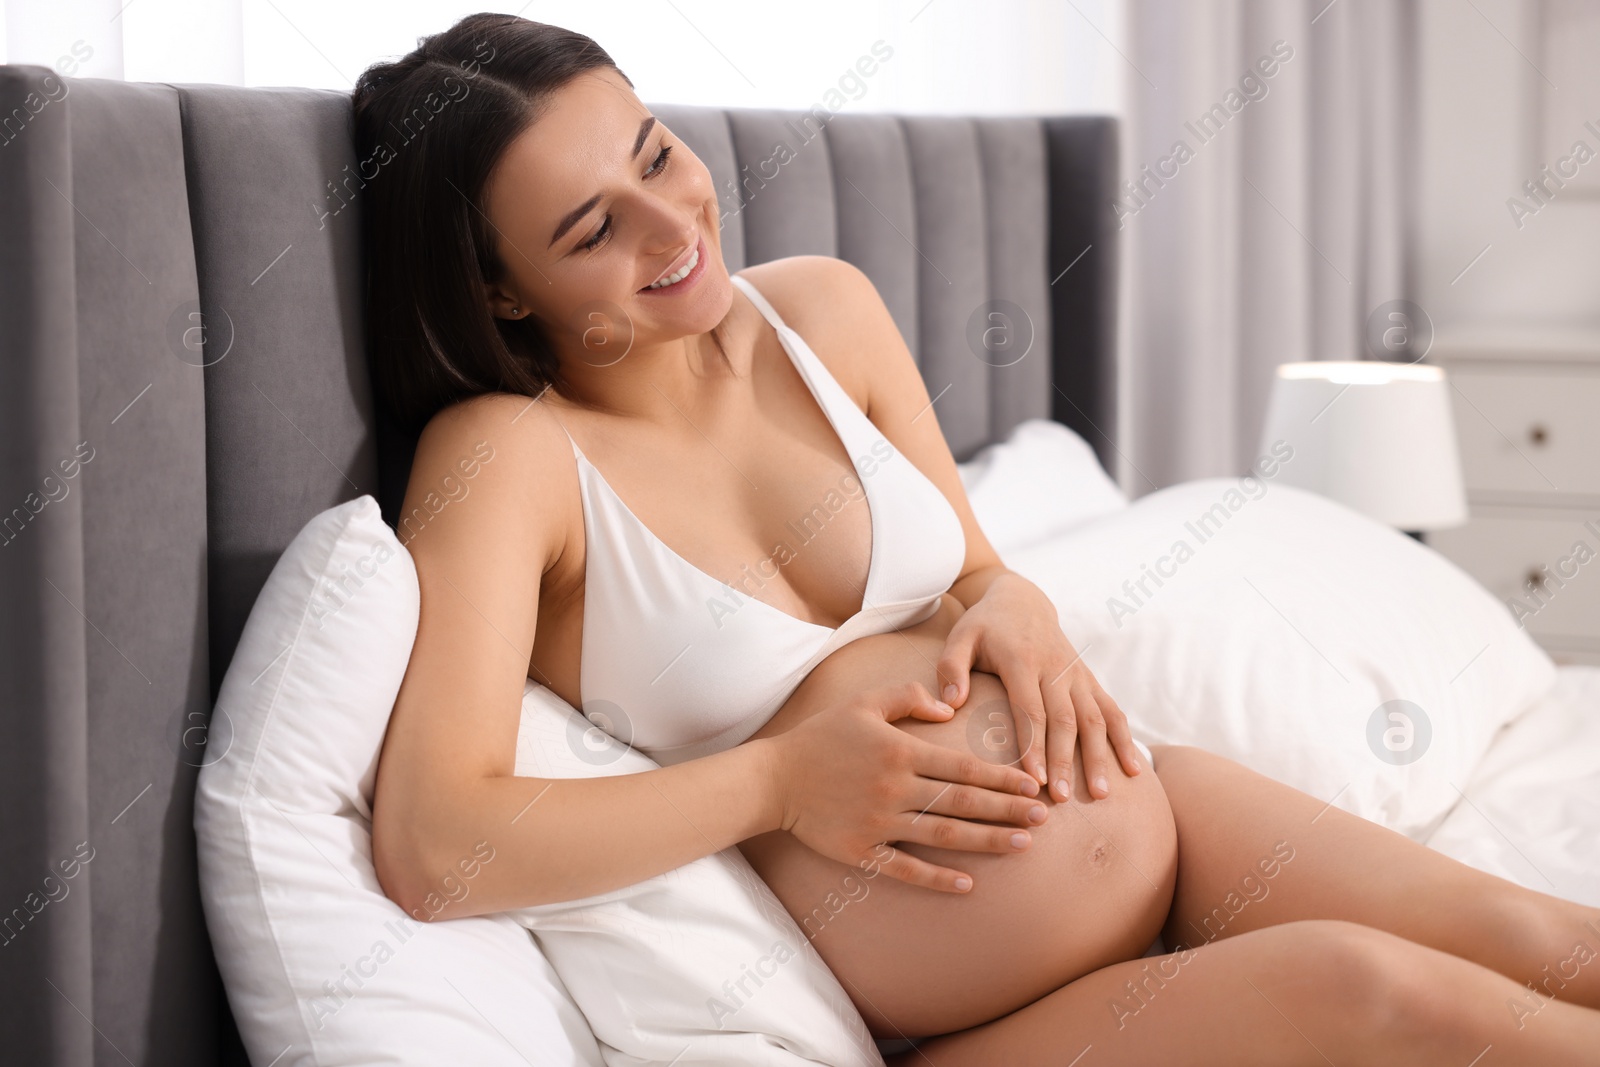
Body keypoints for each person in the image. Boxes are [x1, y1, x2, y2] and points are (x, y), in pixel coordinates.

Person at [356, 13, 1600, 1063]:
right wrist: (779, 781)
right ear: (505, 289)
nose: (671, 225)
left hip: (1156, 801)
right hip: (971, 1013)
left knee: (1550, 943)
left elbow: (969, 567)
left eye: (657, 155)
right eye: (590, 230)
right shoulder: (509, 456)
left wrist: (1013, 598)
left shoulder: (822, 312)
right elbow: (431, 843)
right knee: (1386, 995)